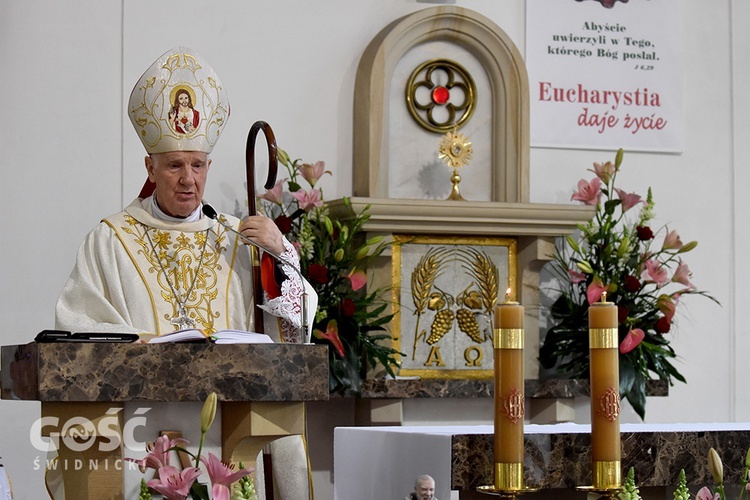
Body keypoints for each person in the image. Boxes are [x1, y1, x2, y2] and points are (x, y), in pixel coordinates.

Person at [55, 46, 316, 343]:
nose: (188, 179)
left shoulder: (237, 238)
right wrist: (142, 343)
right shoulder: (110, 241)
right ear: (150, 169)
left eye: (198, 165)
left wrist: (279, 253)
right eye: (175, 165)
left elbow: (297, 325)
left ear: (209, 166)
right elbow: (76, 324)